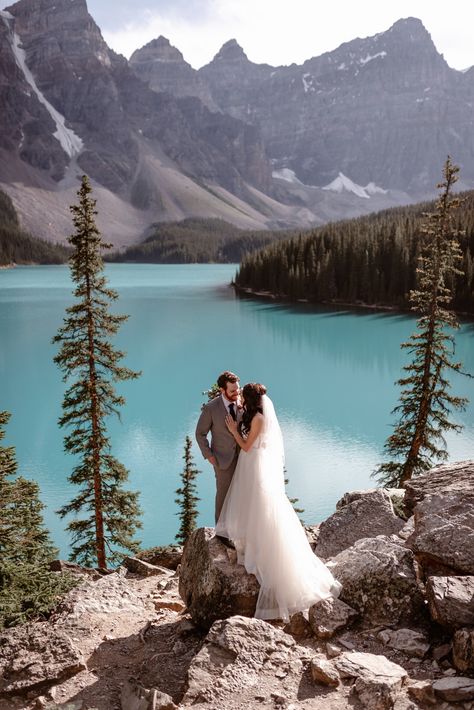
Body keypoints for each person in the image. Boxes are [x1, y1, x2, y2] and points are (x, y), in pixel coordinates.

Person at [216, 382, 342, 621]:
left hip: (255, 466)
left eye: (243, 395)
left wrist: (233, 430)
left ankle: (267, 551)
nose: (240, 398)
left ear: (252, 400)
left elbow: (246, 445)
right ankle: (253, 539)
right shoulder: (252, 414)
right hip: (250, 465)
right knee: (253, 506)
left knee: (263, 506)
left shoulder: (260, 419)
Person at [195, 371, 242, 544]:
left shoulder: (241, 401)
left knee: (243, 493)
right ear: (222, 390)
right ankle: (222, 534)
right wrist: (209, 456)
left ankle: (239, 529)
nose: (237, 393)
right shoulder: (211, 408)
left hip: (244, 457)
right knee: (223, 495)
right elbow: (200, 434)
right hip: (222, 460)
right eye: (232, 391)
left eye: (238, 389)